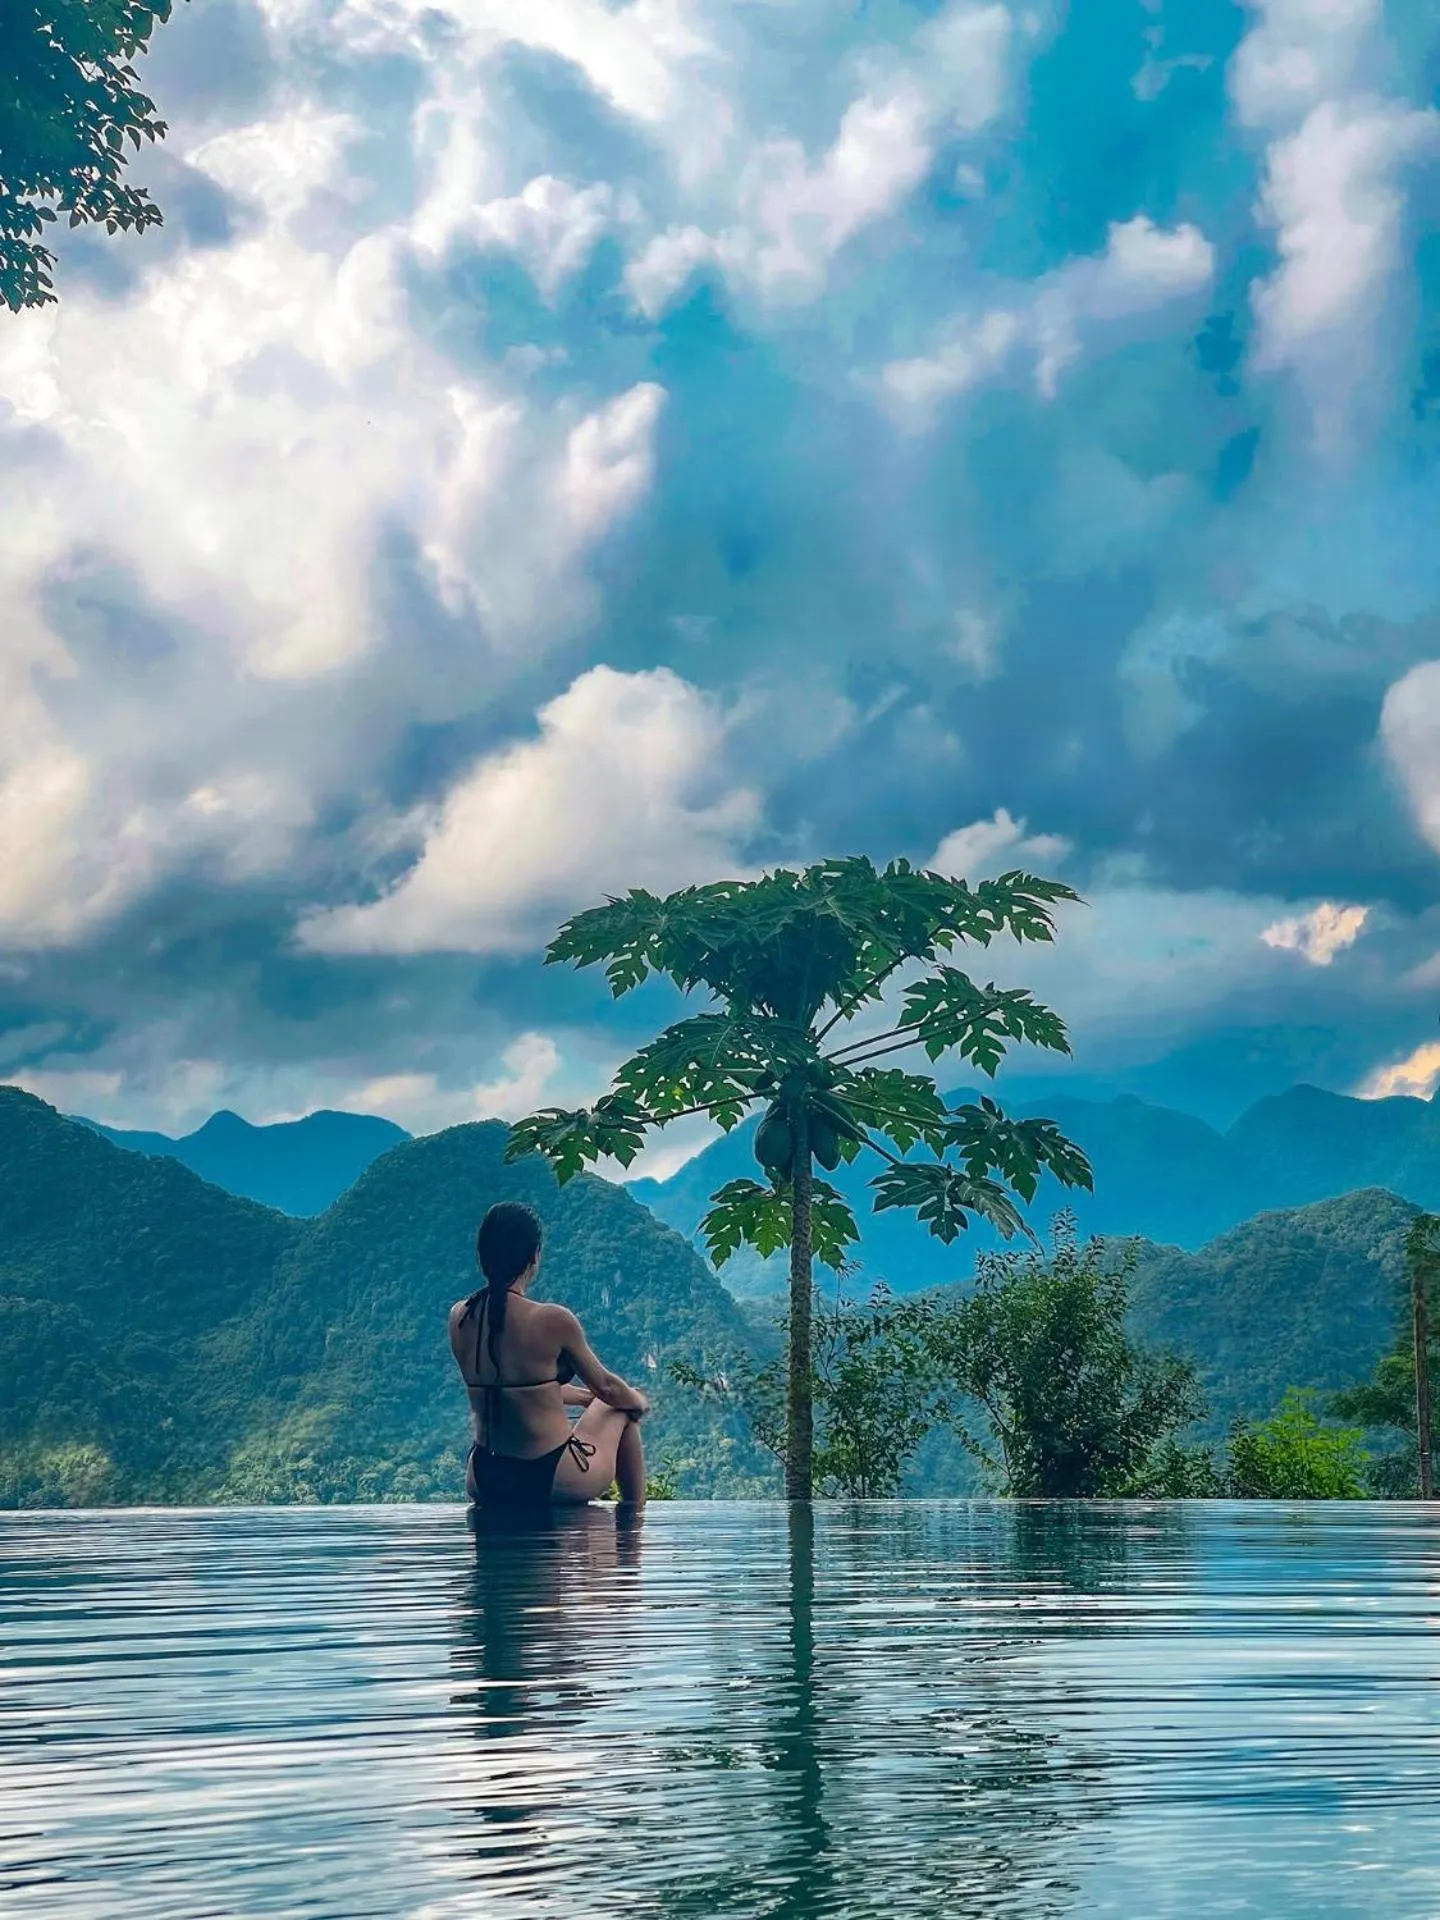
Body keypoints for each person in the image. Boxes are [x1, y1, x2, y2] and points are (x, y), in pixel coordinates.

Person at [449, 1201, 650, 1510]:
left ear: (483, 1255)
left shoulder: (460, 1317)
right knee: (622, 1409)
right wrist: (638, 1400)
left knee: (608, 1402)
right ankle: (635, 1520)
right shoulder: (551, 1319)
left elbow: (512, 1388)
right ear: (535, 1255)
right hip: (550, 1475)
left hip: (484, 1477)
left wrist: (582, 1398)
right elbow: (608, 1388)